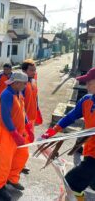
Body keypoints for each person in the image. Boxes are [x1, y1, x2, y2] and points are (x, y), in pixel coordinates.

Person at [41, 67, 95, 201]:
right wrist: (53, 130)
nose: (86, 84)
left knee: (71, 183)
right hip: (89, 152)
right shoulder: (87, 100)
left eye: (89, 82)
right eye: (86, 81)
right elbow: (71, 117)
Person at [0, 72, 34, 201]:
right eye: (24, 83)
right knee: (5, 160)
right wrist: (14, 133)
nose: (26, 85)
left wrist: (28, 126)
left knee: (22, 155)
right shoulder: (6, 94)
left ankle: (12, 178)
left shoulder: (18, 92)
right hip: (8, 132)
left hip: (19, 131)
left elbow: (22, 111)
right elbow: (5, 117)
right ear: (16, 83)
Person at [21, 59, 43, 130]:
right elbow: (19, 105)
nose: (34, 72)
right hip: (23, 119)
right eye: (31, 70)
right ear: (24, 71)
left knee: (30, 139)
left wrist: (37, 109)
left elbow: (35, 96)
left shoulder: (33, 81)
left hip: (32, 117)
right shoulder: (21, 85)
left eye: (35, 70)